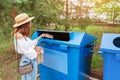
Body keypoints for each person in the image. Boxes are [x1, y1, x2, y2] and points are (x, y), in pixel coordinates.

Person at [13, 13, 53, 80]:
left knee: (26, 78)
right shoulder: (19, 35)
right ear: (25, 24)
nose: (30, 23)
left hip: (26, 60)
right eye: (29, 22)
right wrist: (38, 52)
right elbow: (27, 52)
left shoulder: (23, 35)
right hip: (29, 60)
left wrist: (40, 36)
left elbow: (30, 44)